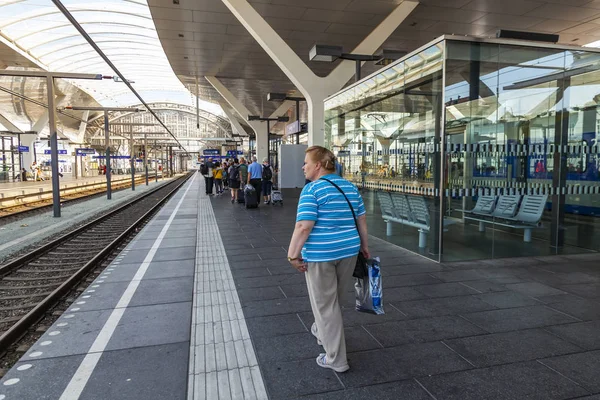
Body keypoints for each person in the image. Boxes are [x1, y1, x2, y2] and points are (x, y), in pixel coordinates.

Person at [287, 146, 370, 373]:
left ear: (319, 165)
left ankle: (336, 359)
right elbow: (361, 220)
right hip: (349, 251)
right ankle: (322, 330)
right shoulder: (350, 187)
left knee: (326, 306)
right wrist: (364, 246)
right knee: (333, 302)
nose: (303, 167)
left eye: (306, 162)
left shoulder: (312, 190)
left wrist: (293, 255)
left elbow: (303, 226)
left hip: (322, 255)